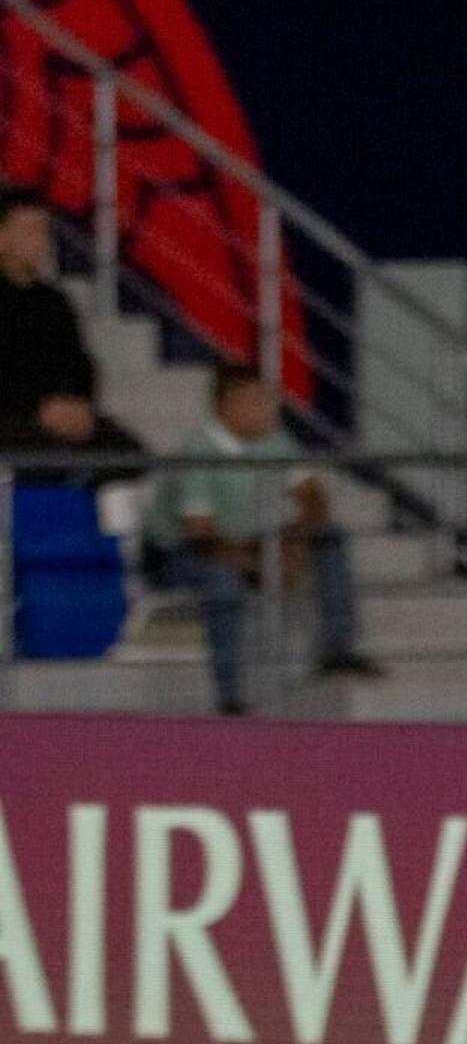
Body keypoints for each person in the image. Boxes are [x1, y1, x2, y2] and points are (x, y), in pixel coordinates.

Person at [148, 364, 376, 714]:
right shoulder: (200, 453)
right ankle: (229, 696)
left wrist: (292, 546)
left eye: (268, 400)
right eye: (255, 401)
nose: (268, 409)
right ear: (224, 406)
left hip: (248, 538)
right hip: (181, 551)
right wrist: (260, 564)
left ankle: (337, 648)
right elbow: (201, 535)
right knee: (222, 583)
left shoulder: (276, 441)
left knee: (330, 536)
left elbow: (314, 498)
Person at [0, 188, 128, 450]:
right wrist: (38, 408)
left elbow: (79, 364)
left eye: (45, 231)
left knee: (125, 450)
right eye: (31, 230)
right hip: (14, 418)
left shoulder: (55, 302)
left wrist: (77, 404)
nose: (41, 241)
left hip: (58, 417)